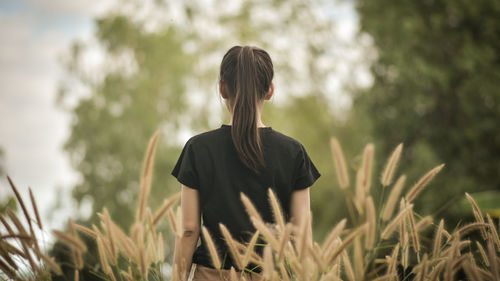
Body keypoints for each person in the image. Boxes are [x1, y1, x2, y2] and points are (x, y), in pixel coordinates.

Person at [171, 45, 321, 281]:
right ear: (270, 91)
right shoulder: (293, 153)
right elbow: (302, 235)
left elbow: (189, 230)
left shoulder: (198, 149)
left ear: (222, 88)